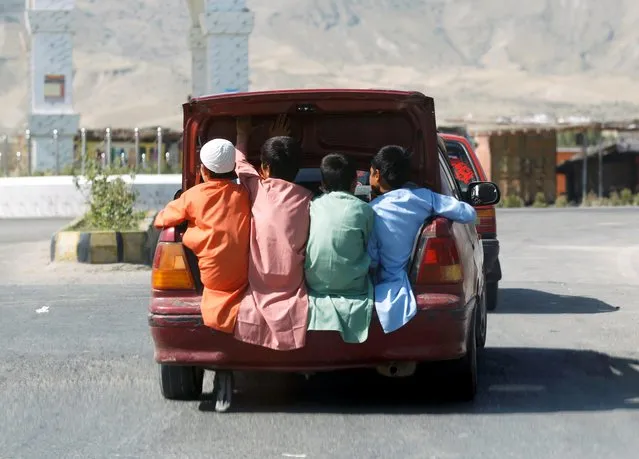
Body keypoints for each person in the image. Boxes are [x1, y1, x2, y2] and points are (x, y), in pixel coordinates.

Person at [367, 145, 477, 334]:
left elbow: (372, 259)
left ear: (377, 175)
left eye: (369, 174)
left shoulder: (372, 210)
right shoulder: (424, 198)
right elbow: (468, 213)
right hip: (414, 282)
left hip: (382, 284)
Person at [154, 138, 251, 333]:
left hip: (213, 282)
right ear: (233, 169)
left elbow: (161, 220)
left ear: (203, 171)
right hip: (244, 280)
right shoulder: (246, 194)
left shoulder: (193, 195)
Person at [233, 115, 314, 351]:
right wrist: (277, 142)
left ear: (264, 168)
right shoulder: (309, 201)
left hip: (258, 285)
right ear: (298, 170)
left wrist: (243, 134)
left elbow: (239, 163)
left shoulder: (256, 188)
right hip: (292, 283)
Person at [305, 153, 375, 344]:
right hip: (352, 287)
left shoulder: (312, 206)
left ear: (322, 183)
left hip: (315, 284)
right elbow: (370, 247)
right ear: (355, 183)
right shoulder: (364, 210)